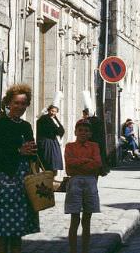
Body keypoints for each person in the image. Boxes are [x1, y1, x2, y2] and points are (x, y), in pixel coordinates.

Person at [0, 84, 40, 253]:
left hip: (23, 181)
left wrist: (33, 156)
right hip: (4, 180)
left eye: (23, 104)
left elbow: (32, 154)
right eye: (16, 103)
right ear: (8, 103)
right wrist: (18, 151)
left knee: (18, 230)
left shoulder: (26, 126)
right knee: (3, 231)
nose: (20, 107)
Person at [64, 120, 102, 253]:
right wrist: (87, 161)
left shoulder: (94, 146)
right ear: (75, 132)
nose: (83, 133)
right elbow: (69, 163)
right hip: (74, 182)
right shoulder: (69, 146)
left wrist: (79, 163)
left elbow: (97, 163)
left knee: (87, 218)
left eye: (86, 131)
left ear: (90, 133)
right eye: (80, 130)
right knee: (74, 218)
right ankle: (73, 250)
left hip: (90, 182)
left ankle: (85, 249)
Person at [36, 104, 65, 173]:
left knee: (55, 160)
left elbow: (61, 129)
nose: (53, 113)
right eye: (52, 111)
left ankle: (53, 173)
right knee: (48, 160)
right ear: (49, 111)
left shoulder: (55, 119)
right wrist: (57, 130)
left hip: (53, 142)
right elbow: (50, 129)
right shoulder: (44, 119)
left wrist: (58, 131)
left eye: (55, 111)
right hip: (46, 142)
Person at [81, 108, 108, 175]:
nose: (83, 116)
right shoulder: (98, 121)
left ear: (87, 114)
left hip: (90, 144)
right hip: (99, 143)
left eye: (84, 115)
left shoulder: (87, 122)